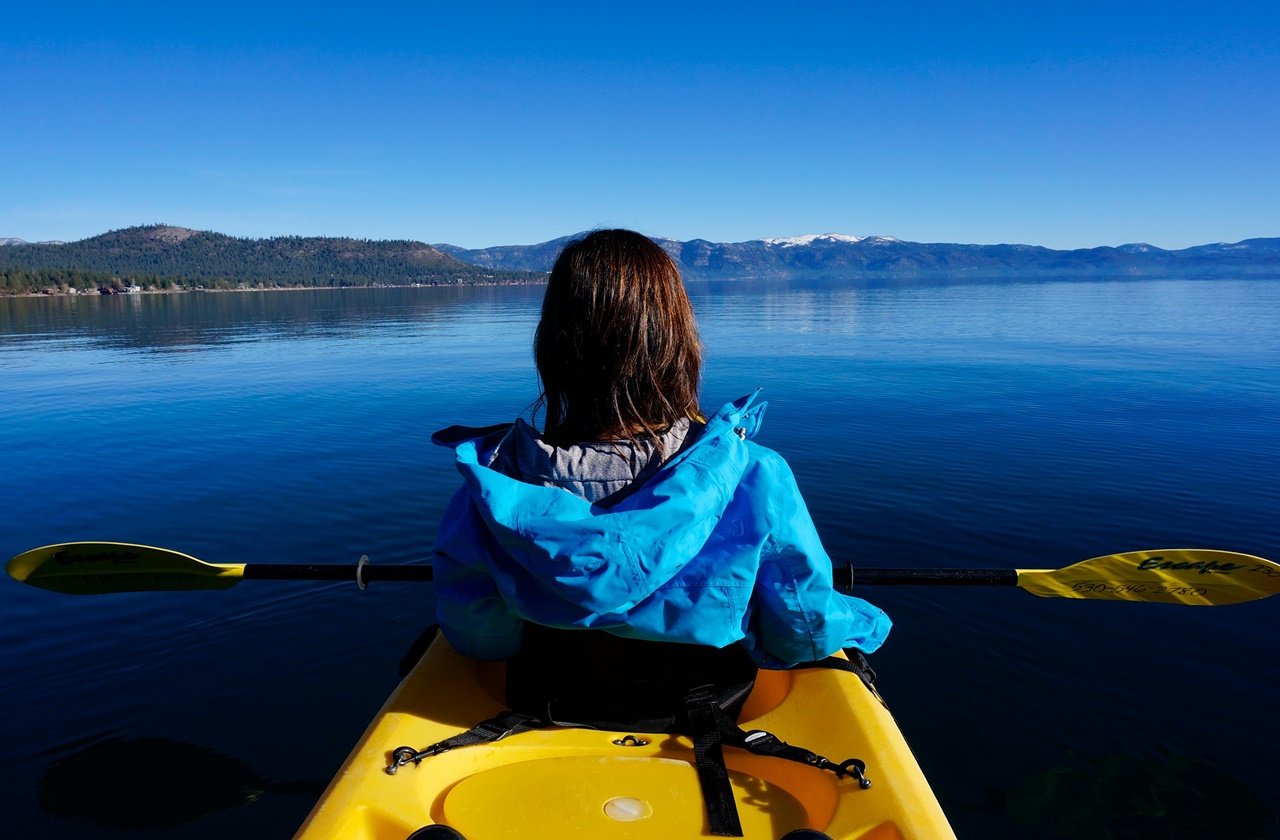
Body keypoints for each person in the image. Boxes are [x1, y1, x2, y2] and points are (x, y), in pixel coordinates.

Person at [430, 229, 889, 673]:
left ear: (553, 347)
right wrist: (867, 623)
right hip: (710, 714)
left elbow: (481, 639)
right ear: (676, 344)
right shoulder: (756, 477)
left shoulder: (493, 490)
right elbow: (801, 631)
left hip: (548, 707)